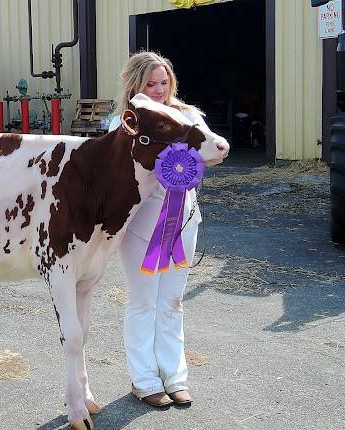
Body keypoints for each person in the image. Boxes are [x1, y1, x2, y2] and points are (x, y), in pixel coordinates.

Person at [109, 51, 211, 408]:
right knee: (143, 301)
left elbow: (211, 151)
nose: (158, 89)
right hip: (140, 226)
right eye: (150, 84)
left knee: (172, 300)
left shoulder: (189, 116)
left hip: (183, 220)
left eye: (163, 82)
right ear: (135, 85)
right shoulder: (121, 125)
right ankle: (145, 378)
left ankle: (175, 376)